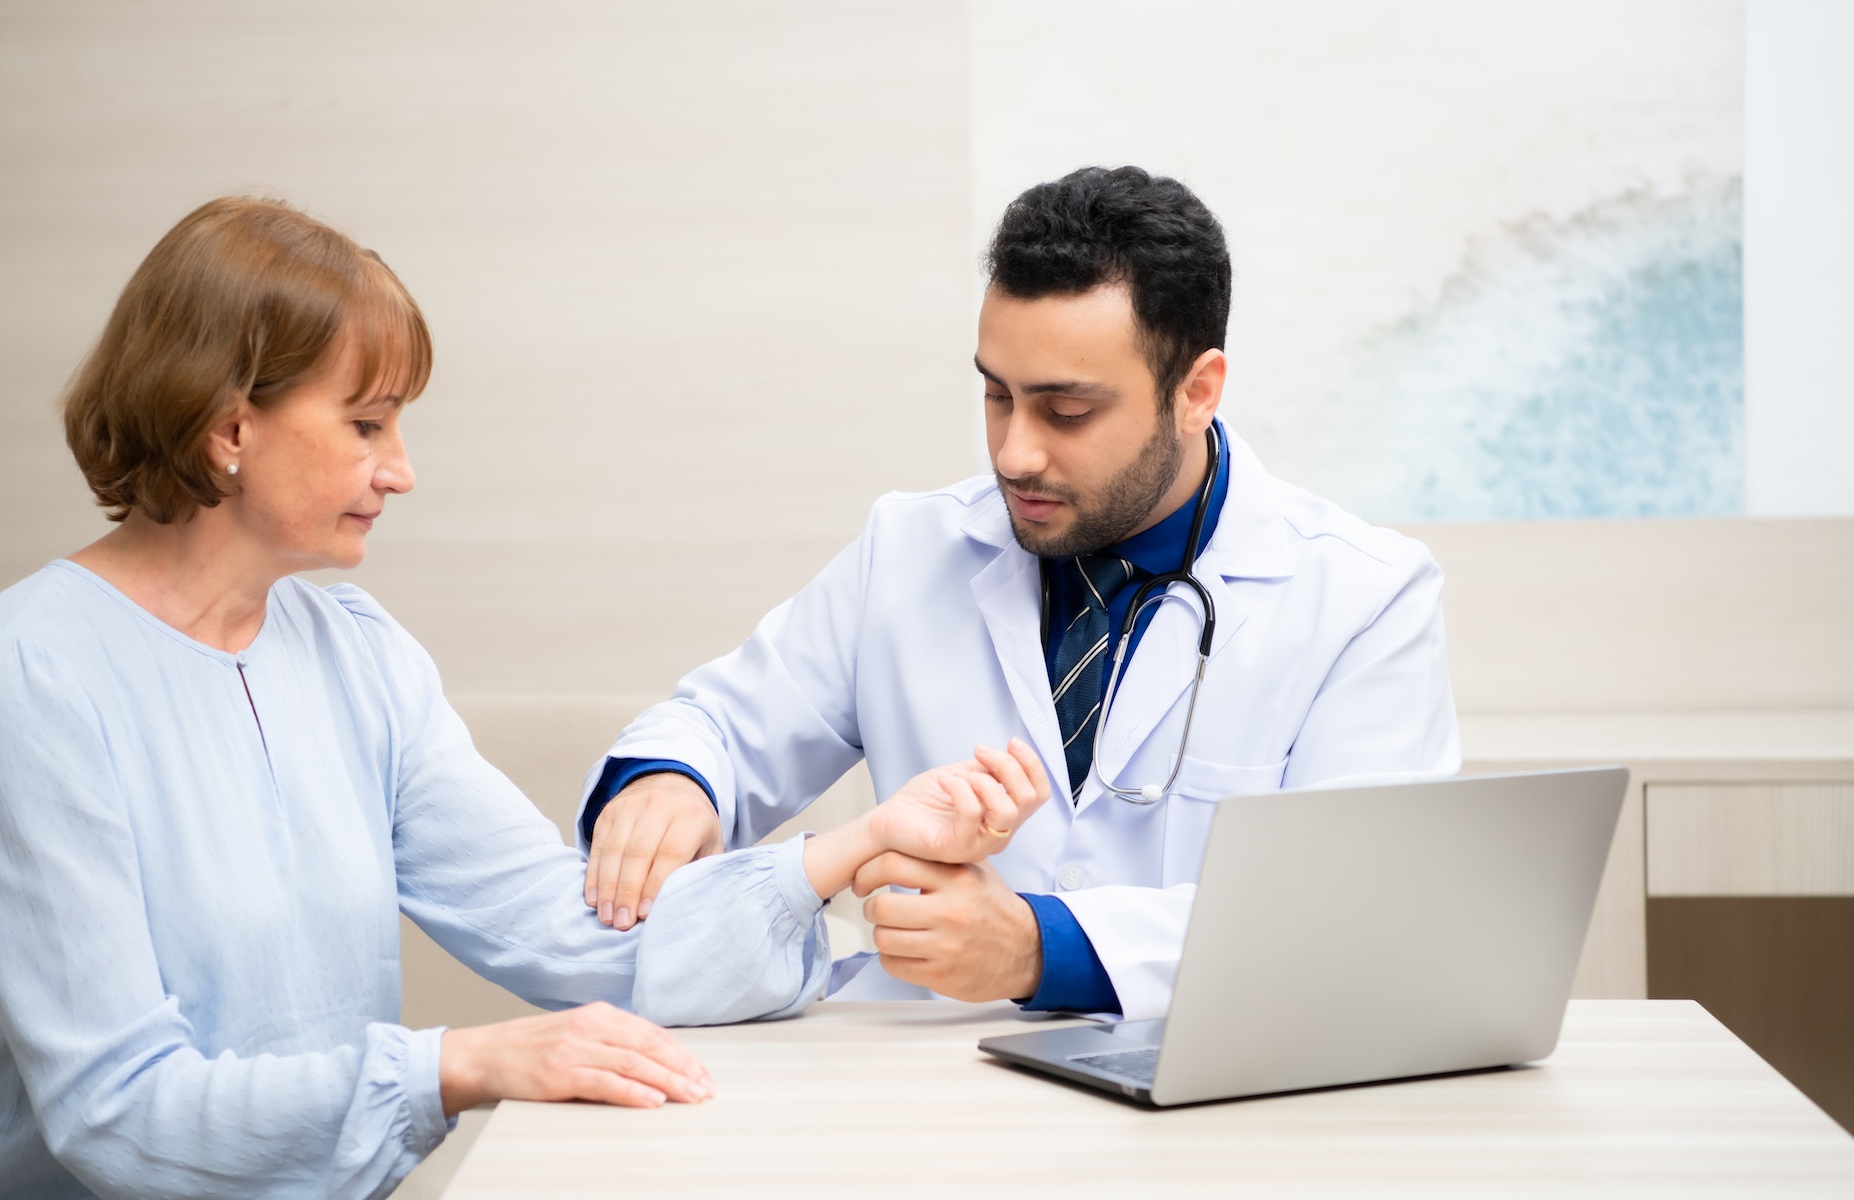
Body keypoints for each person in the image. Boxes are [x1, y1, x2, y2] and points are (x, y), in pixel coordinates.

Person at [0, 197, 1053, 1199]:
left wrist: (857, 845)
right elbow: (119, 1116)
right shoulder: (32, 677)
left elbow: (569, 932)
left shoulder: (353, 651)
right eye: (365, 424)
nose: (400, 467)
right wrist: (461, 1063)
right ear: (228, 429)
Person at [577, 166, 1462, 1022]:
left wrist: (1043, 946)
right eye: (997, 396)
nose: (1014, 453)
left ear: (1196, 391)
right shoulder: (909, 550)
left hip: (1209, 1104)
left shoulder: (1362, 597)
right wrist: (672, 781)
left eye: (1066, 411)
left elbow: (1358, 916)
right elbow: (722, 723)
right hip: (929, 1098)